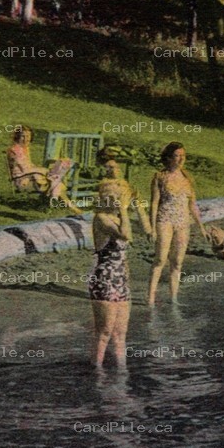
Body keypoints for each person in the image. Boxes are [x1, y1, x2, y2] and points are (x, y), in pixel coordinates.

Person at [88, 149, 151, 369]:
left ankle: (122, 370)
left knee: (121, 333)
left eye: (119, 196)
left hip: (120, 278)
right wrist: (124, 209)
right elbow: (127, 235)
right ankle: (96, 370)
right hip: (103, 279)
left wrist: (127, 277)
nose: (116, 199)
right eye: (113, 196)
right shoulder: (101, 218)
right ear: (103, 198)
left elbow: (125, 251)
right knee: (104, 332)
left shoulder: (116, 217)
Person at [147, 142, 207, 305]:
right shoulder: (159, 177)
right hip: (164, 219)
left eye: (183, 156)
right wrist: (151, 228)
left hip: (182, 221)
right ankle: (151, 298)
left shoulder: (187, 178)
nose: (181, 159)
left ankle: (173, 298)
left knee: (177, 262)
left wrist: (201, 226)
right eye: (177, 156)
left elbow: (192, 204)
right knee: (160, 259)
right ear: (168, 158)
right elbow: (154, 203)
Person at [6, 125, 73, 206]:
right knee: (57, 183)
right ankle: (59, 199)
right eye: (22, 136)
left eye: (28, 136)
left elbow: (29, 165)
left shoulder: (24, 148)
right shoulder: (15, 150)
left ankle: (64, 203)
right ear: (17, 137)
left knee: (60, 171)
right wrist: (44, 171)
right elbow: (25, 169)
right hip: (22, 180)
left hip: (31, 177)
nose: (26, 139)